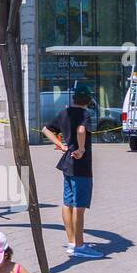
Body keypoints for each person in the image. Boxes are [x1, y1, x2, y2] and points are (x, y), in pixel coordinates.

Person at [42, 85, 101, 258]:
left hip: (67, 162)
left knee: (67, 203)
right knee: (79, 206)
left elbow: (46, 129)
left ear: (74, 98)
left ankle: (72, 242)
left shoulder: (64, 113)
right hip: (80, 164)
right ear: (88, 100)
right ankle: (80, 246)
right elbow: (81, 130)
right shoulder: (85, 114)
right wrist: (82, 148)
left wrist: (60, 145)